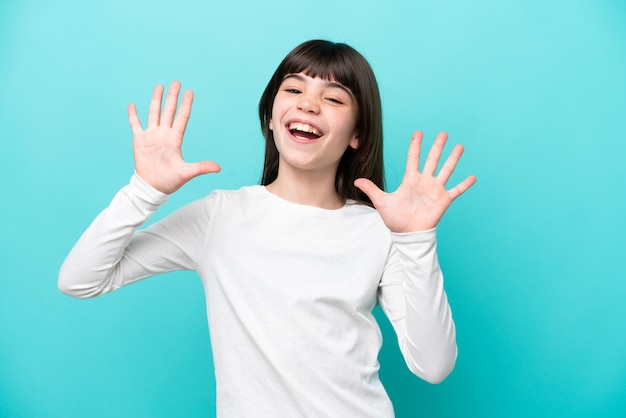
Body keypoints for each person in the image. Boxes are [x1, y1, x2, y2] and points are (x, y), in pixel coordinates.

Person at [58, 40, 476, 417]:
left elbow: (434, 366)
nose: (308, 104)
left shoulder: (379, 231)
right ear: (272, 118)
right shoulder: (221, 217)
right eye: (293, 90)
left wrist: (415, 238)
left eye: (333, 98)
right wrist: (142, 191)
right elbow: (80, 280)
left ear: (357, 135)